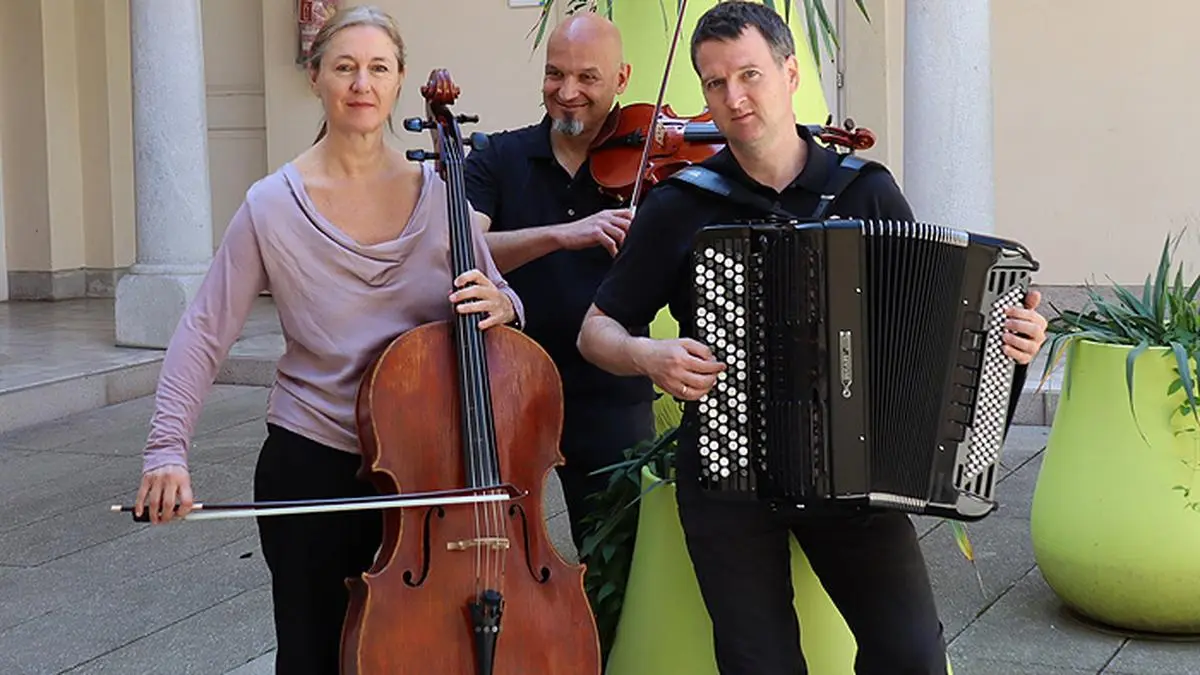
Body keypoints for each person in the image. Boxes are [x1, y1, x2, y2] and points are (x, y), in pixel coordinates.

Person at [576, 3, 1049, 674]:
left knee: (911, 654)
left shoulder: (865, 191)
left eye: (750, 74)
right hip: (729, 479)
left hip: (853, 486)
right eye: (715, 83)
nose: (734, 98)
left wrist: (1012, 339)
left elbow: (938, 331)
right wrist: (646, 354)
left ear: (790, 72)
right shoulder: (681, 203)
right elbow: (596, 329)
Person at [128, 6, 522, 674]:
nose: (360, 83)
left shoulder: (440, 193)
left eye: (377, 68)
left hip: (427, 467)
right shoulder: (271, 204)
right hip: (313, 458)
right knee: (312, 653)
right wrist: (167, 448)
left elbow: (501, 297)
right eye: (344, 67)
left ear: (398, 82)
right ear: (315, 78)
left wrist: (503, 303)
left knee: (419, 652)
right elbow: (203, 331)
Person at [463, 13, 657, 555]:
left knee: (615, 557)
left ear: (622, 79)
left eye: (587, 78)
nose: (567, 92)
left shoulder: (653, 165)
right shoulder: (497, 157)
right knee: (494, 550)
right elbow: (463, 247)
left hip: (610, 388)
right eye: (555, 75)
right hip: (506, 383)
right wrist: (562, 234)